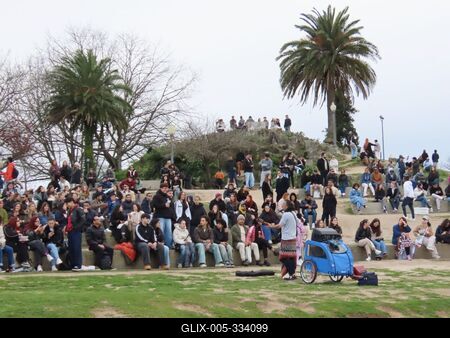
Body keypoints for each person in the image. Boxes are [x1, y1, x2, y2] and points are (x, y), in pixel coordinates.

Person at [268, 201, 297, 280]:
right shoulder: (293, 213)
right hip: (293, 237)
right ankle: (292, 274)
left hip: (286, 238)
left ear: (286, 206)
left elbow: (279, 226)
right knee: (291, 258)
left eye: (283, 205)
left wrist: (271, 226)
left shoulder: (286, 214)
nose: (282, 206)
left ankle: (291, 273)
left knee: (283, 257)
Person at [65, 196, 85, 271]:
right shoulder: (70, 211)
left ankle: (78, 264)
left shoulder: (78, 209)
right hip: (70, 231)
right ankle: (73, 264)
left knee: (76, 248)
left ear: (71, 202)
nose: (67, 205)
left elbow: (83, 219)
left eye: (67, 203)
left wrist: (76, 227)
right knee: (71, 248)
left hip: (76, 231)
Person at [152, 183, 174, 248]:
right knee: (161, 232)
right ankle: (161, 246)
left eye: (166, 188)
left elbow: (171, 206)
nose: (165, 189)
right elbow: (154, 205)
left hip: (168, 217)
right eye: (164, 188)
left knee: (169, 234)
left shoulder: (167, 196)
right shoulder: (156, 196)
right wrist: (164, 205)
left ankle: (169, 247)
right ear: (161, 188)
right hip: (160, 217)